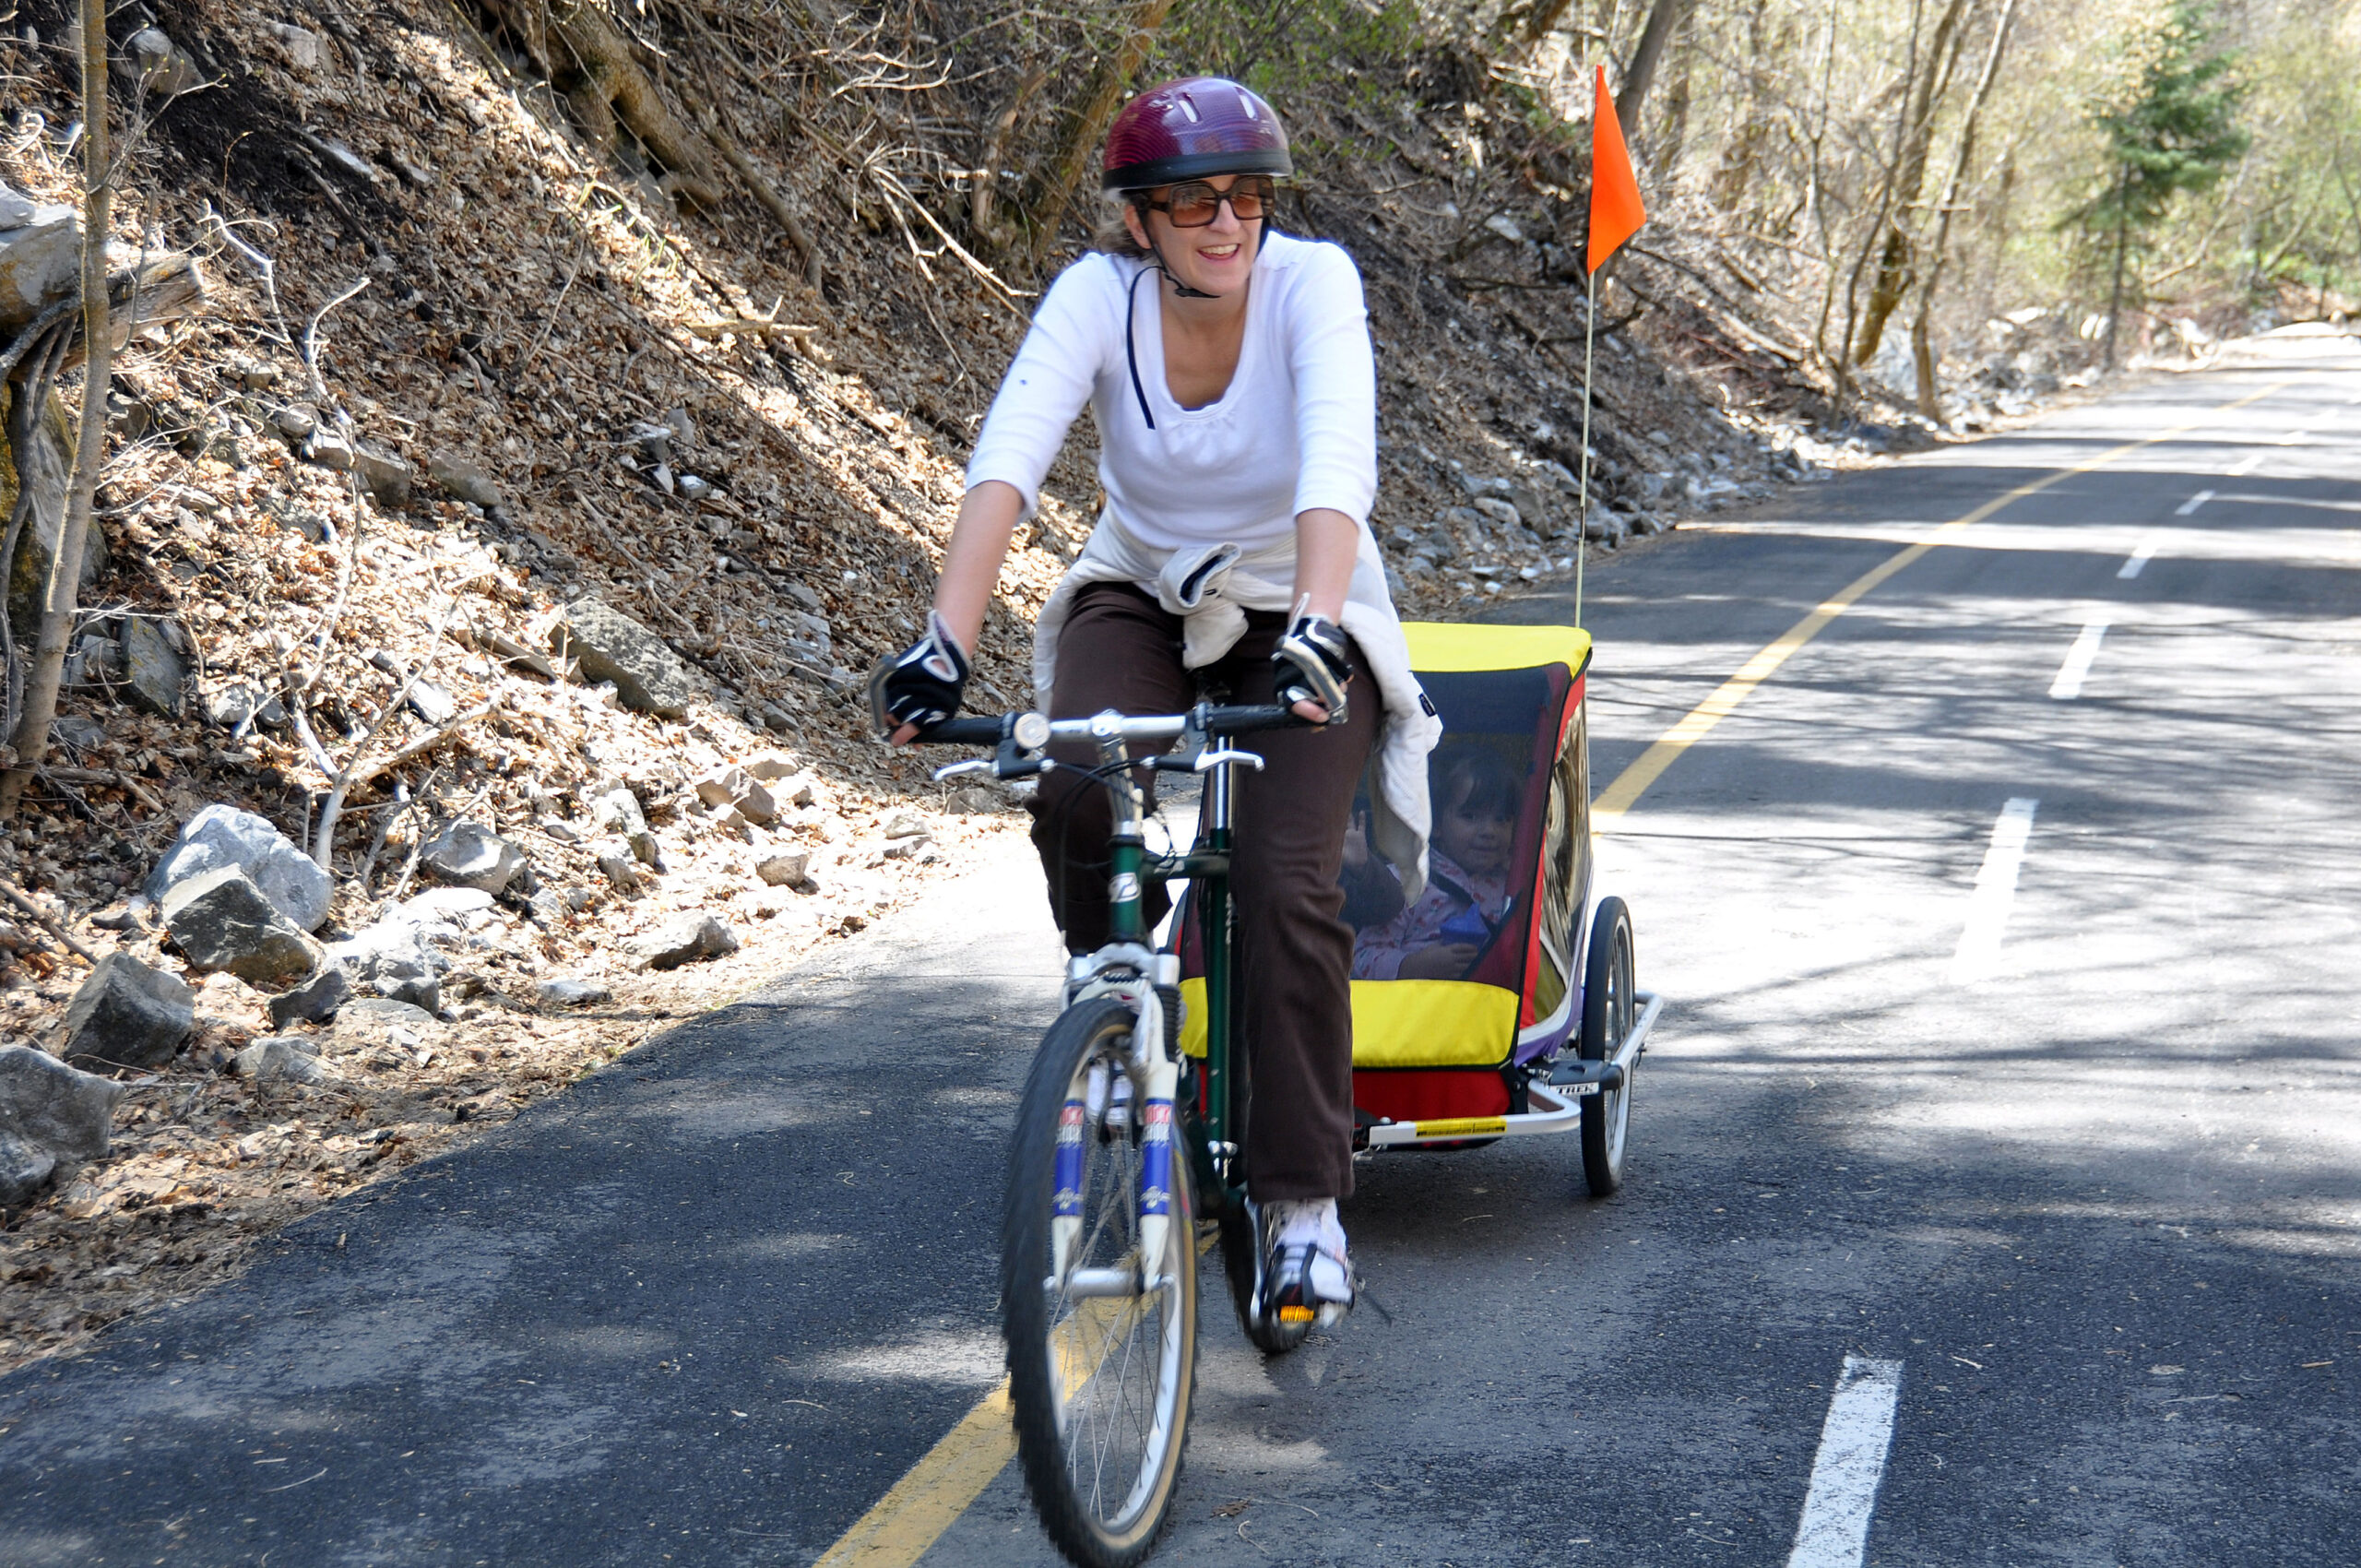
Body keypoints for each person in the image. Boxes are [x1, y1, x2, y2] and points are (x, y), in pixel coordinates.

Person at [868, 76, 1440, 1329]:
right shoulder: (1097, 302)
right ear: (1141, 223)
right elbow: (1009, 460)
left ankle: (1303, 1208)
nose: (1226, 221)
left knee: (1289, 881)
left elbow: (1339, 460)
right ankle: (1118, 1004)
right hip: (1144, 587)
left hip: (1302, 603)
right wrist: (942, 646)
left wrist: (1316, 631)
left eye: (1245, 195)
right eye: (1191, 201)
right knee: (1074, 782)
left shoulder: (1313, 285)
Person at [1353, 746, 1519, 981]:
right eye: (1470, 816)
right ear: (1437, 824)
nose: (1489, 831)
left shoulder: (1515, 886)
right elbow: (1362, 957)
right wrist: (1414, 966)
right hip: (1416, 1009)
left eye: (1501, 819)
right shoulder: (1406, 882)